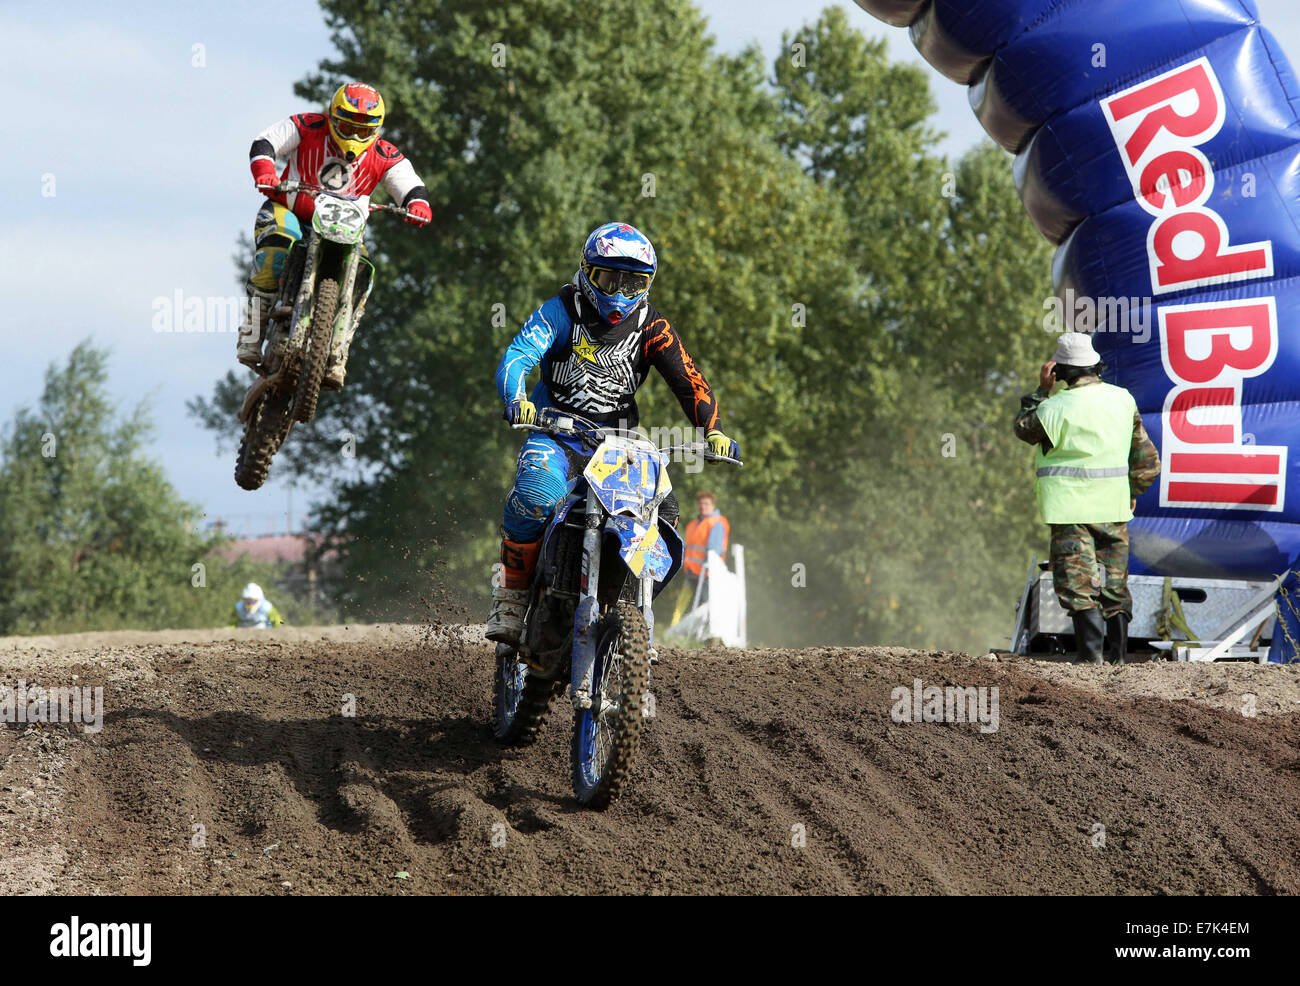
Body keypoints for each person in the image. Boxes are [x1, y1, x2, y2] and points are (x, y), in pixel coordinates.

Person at [485, 222, 740, 646]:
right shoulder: (561, 310)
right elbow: (517, 356)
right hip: (556, 431)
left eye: (632, 282)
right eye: (609, 279)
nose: (619, 294)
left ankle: (628, 607)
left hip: (618, 443)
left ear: (647, 284)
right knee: (534, 493)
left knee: (665, 513)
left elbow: (687, 378)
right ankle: (512, 594)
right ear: (587, 272)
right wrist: (516, 398)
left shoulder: (651, 326)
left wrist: (711, 430)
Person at [237, 82, 432, 386]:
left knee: (364, 272)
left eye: (363, 131)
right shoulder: (307, 126)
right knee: (275, 251)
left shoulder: (383, 153)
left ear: (376, 130)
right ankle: (251, 335)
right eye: (346, 126)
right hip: (288, 211)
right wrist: (265, 171)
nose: (354, 137)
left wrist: (416, 203)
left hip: (343, 229)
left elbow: (408, 181)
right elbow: (265, 142)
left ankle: (339, 351)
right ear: (331, 117)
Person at [1014, 332, 1161, 664]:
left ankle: (1090, 658)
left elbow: (1024, 429)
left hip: (1072, 511)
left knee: (1079, 585)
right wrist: (1131, 492)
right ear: (1096, 366)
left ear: (1061, 372)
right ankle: (1119, 659)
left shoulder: (1054, 406)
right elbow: (1149, 463)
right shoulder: (1123, 400)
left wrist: (1040, 390)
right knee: (1114, 583)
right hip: (1113, 508)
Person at [672, 490, 730, 625]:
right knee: (680, 605)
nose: (703, 506)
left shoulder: (716, 523)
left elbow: (713, 551)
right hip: (691, 572)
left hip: (707, 574)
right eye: (701, 503)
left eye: (706, 503)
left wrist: (708, 567)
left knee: (707, 605)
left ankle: (710, 637)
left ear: (713, 505)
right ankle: (672, 634)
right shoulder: (693, 524)